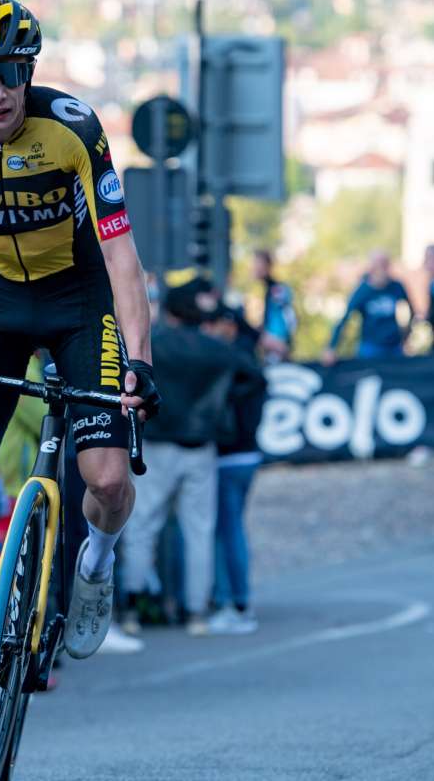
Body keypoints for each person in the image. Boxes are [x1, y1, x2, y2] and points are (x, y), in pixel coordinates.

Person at [0, 0, 160, 734]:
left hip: (80, 299)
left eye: (12, 71)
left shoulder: (73, 128)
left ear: (29, 71)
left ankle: (95, 570)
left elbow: (120, 254)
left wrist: (138, 363)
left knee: (108, 479)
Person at [119, 279, 239, 636]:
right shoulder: (216, 349)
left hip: (156, 441)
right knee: (198, 529)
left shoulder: (154, 345)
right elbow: (253, 377)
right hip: (200, 444)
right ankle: (196, 611)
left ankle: (132, 609)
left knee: (142, 526)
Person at [205, 304, 267, 635]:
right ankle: (236, 599)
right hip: (247, 454)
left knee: (226, 531)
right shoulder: (250, 361)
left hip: (229, 455)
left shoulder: (230, 361)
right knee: (233, 529)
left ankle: (234, 601)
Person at [323, 250, 409, 364]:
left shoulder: (396, 286)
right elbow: (345, 318)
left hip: (394, 347)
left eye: (385, 265)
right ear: (372, 268)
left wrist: (406, 336)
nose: (383, 270)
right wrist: (331, 348)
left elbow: (411, 310)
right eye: (379, 265)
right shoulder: (362, 291)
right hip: (370, 348)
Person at [252, 250, 296, 363]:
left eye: (258, 264)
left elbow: (289, 317)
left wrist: (281, 342)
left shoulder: (277, 289)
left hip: (277, 345)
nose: (254, 268)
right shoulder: (266, 289)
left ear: (267, 266)